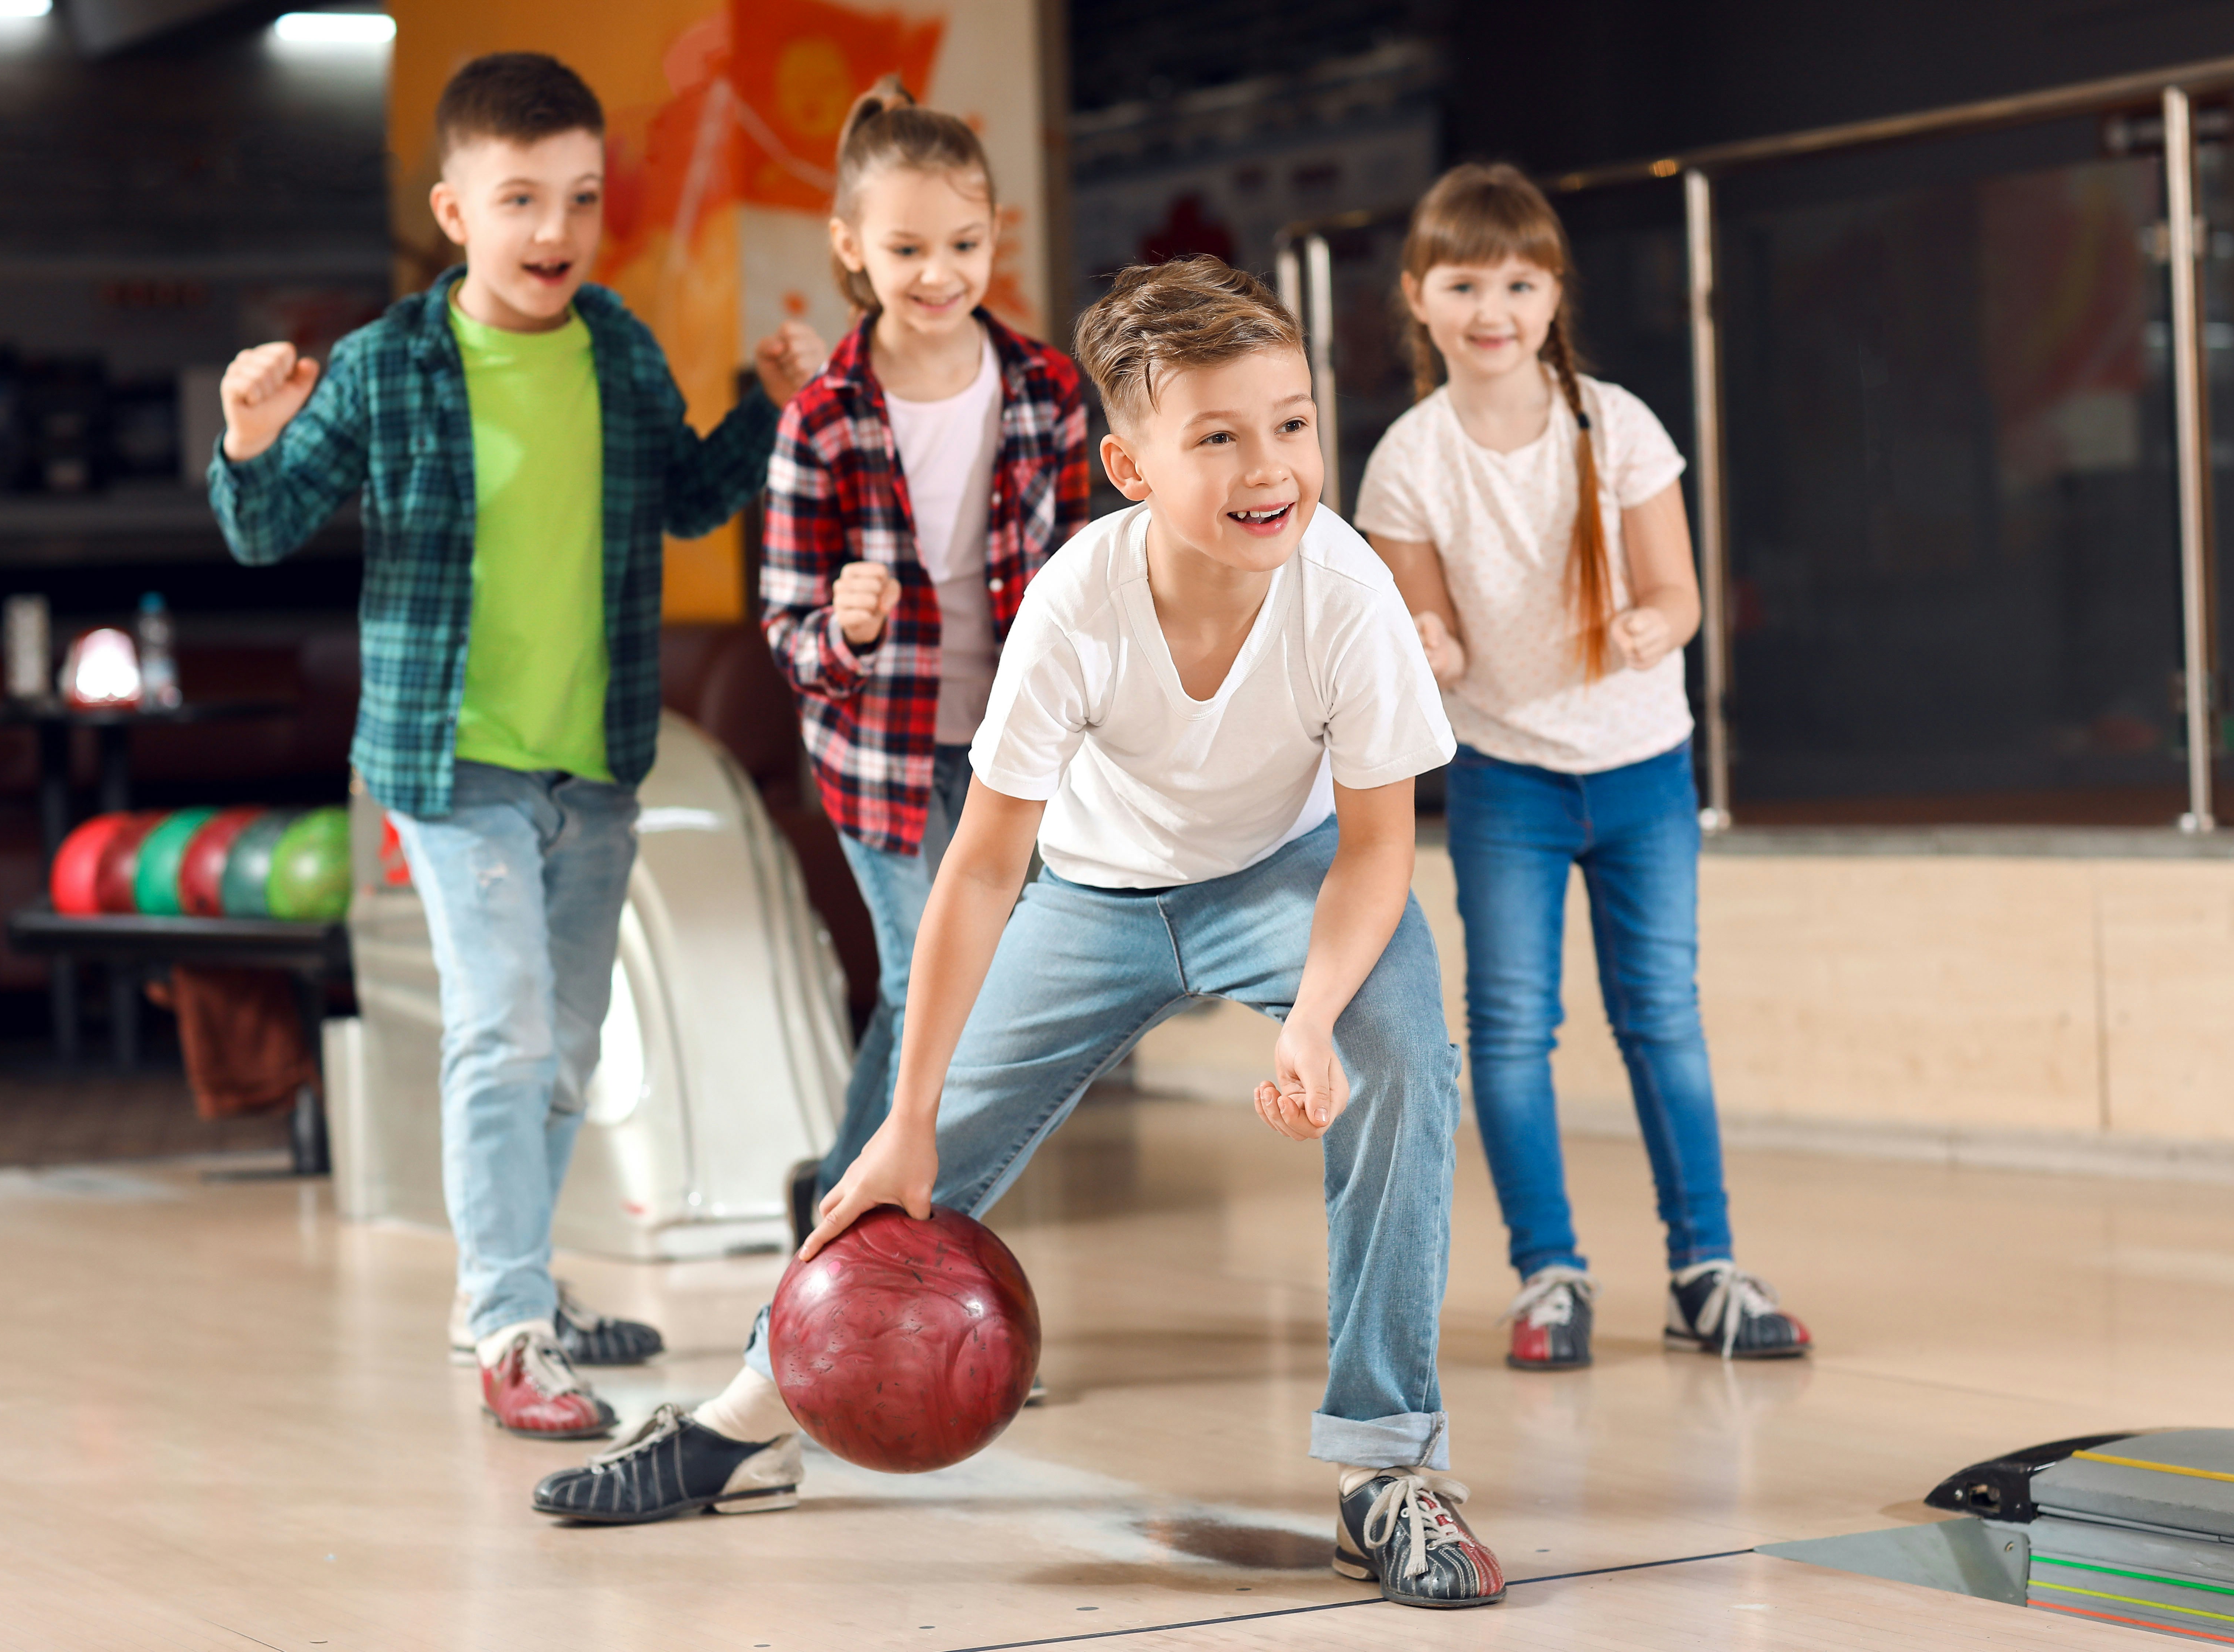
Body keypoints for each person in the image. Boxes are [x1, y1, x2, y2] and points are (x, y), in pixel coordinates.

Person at [529, 256, 1505, 1611]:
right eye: (1215, 435)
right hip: (1093, 896)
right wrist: (913, 1110)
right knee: (906, 1162)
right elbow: (982, 872)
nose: (1267, 464)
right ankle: (746, 1423)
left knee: (1402, 1054)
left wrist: (1314, 1015)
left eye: (1290, 422)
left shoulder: (1347, 599)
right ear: (1129, 466)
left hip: (1289, 882)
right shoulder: (1078, 603)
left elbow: (1380, 845)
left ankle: (1385, 1467)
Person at [207, 52, 825, 1440]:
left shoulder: (614, 346)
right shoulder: (387, 366)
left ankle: (513, 1282)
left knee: (563, 1046)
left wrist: (771, 408)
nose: (555, 231)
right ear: (455, 211)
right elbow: (263, 529)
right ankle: (509, 1324)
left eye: (582, 199)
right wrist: (251, 441)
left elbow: (683, 499)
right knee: (502, 1030)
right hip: (447, 762)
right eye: (521, 199)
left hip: (593, 765)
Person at [1356, 163, 1810, 1371]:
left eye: (1518, 281)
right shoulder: (1408, 458)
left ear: (1554, 296)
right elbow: (1427, 628)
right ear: (1418, 297)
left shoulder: (1618, 425)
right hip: (1507, 779)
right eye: (1463, 283)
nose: (1491, 307)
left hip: (1644, 769)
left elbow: (1682, 593)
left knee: (1661, 1016)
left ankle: (1703, 1268)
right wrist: (1431, 645)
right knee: (1509, 1030)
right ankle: (1548, 1274)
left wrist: (1660, 623)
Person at [758, 77, 1089, 1244]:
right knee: (929, 988)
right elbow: (787, 630)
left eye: (964, 242)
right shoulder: (823, 415)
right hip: (878, 759)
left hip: (1015, 751)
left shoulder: (1049, 391)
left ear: (996, 235)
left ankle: (847, 1208)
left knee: (979, 998)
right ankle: (881, 1251)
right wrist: (844, 629)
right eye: (906, 247)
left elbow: (1091, 579)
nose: (940, 271)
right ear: (852, 247)